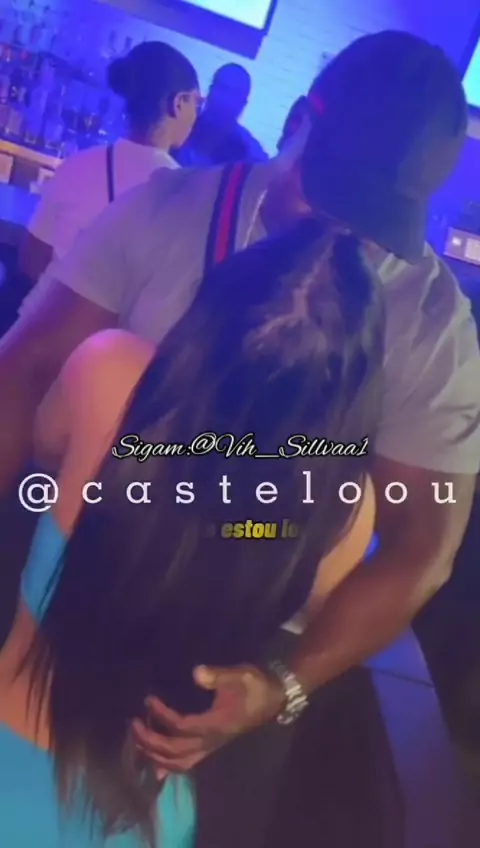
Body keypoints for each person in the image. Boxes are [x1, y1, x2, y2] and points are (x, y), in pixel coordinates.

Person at [0, 29, 479, 823]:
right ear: (302, 118)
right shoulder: (168, 211)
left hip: (240, 657)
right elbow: (23, 373)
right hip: (76, 577)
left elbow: (423, 547)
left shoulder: (433, 328)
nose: (343, 231)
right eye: (332, 187)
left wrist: (281, 688)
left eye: (377, 214)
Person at [0, 218, 383, 843]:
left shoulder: (107, 373)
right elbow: (320, 620)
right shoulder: (345, 508)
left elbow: (46, 447)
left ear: (208, 319)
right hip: (136, 814)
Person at [18, 41, 200, 290]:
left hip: (52, 310)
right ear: (178, 103)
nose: (196, 115)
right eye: (197, 103)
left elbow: (32, 260)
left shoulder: (76, 166)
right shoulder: (185, 194)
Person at [175, 63, 267, 165]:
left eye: (233, 95)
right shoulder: (177, 124)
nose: (223, 100)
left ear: (242, 104)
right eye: (221, 89)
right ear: (210, 90)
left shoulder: (251, 154)